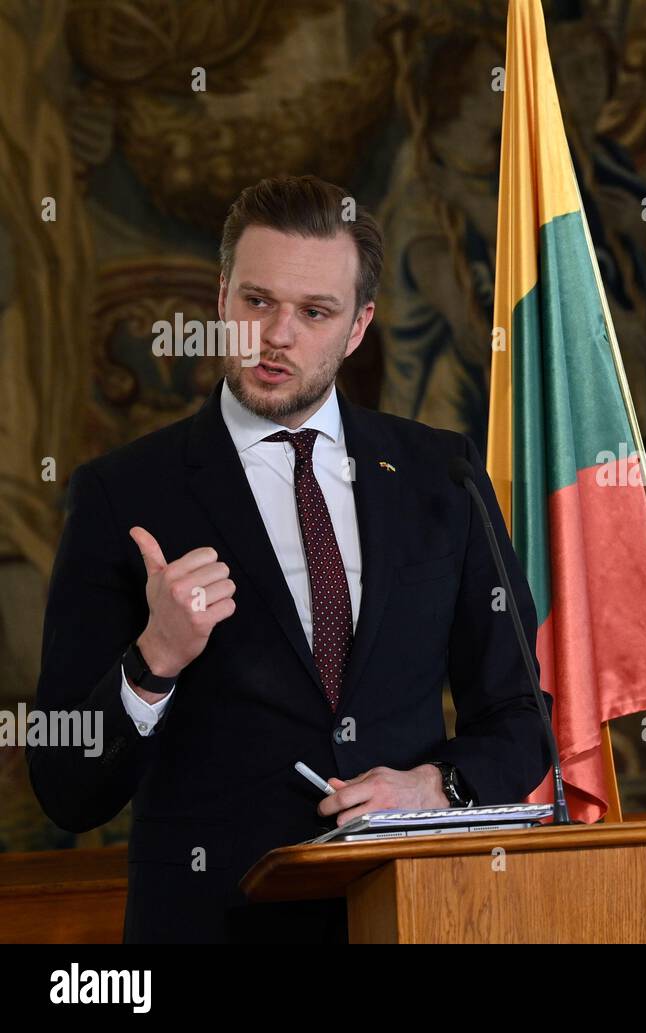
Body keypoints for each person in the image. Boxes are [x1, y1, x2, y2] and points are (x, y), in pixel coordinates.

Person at [26, 174, 552, 943]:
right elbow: (65, 787)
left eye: (314, 312)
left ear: (360, 325)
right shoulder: (120, 493)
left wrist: (435, 786)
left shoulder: (444, 474)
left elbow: (521, 717)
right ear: (220, 298)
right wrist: (153, 661)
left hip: (411, 916)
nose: (276, 336)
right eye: (257, 301)